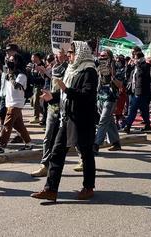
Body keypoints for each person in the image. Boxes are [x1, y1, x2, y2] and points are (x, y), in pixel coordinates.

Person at [31, 41, 98, 202]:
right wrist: (52, 97)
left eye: (71, 53)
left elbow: (86, 95)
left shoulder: (89, 71)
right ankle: (51, 189)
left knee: (86, 154)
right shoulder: (71, 69)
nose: (69, 56)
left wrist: (66, 89)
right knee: (57, 152)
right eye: (68, 53)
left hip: (82, 120)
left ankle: (88, 187)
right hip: (67, 118)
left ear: (80, 53)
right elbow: (64, 95)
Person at [31, 48, 68, 177]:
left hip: (64, 109)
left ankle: (86, 159)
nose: (56, 57)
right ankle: (45, 166)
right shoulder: (55, 67)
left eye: (59, 54)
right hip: (53, 107)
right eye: (55, 55)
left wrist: (53, 95)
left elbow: (66, 88)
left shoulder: (69, 69)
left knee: (72, 140)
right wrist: (45, 73)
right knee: (48, 137)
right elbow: (53, 81)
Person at [0, 53, 33, 154]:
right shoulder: (11, 73)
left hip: (16, 103)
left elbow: (16, 86)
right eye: (9, 60)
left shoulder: (21, 74)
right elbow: (0, 66)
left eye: (12, 60)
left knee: (7, 125)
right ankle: (28, 144)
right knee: (19, 126)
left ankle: (2, 146)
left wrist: (10, 74)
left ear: (17, 62)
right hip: (9, 103)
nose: (9, 62)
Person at [94, 50, 122, 154]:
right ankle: (116, 142)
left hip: (111, 97)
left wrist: (112, 75)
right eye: (101, 56)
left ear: (110, 57)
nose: (102, 58)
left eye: (104, 56)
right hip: (100, 96)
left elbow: (120, 85)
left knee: (103, 120)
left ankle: (96, 144)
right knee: (109, 120)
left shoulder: (116, 66)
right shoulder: (98, 66)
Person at [122, 51, 151, 133]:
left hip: (141, 92)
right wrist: (128, 66)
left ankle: (127, 125)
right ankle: (147, 124)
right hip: (134, 91)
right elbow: (128, 75)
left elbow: (142, 76)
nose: (133, 60)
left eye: (134, 58)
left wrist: (138, 64)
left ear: (139, 59)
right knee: (144, 109)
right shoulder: (135, 67)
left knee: (133, 109)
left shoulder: (145, 66)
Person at [28, 53, 46, 124]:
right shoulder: (33, 66)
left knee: (36, 102)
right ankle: (44, 114)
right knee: (32, 102)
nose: (32, 59)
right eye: (31, 57)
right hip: (34, 86)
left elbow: (43, 78)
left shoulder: (42, 65)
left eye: (33, 57)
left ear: (37, 58)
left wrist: (33, 79)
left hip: (40, 86)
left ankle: (36, 117)